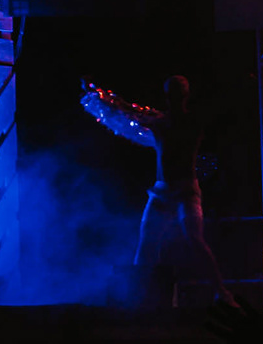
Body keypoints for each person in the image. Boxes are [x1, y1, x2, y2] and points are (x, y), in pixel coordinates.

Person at [83, 73, 223, 304]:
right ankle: (138, 295)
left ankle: (220, 291)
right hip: (164, 192)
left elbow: (129, 113)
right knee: (150, 243)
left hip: (185, 192)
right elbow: (128, 113)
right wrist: (101, 99)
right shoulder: (169, 123)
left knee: (191, 240)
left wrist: (101, 100)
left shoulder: (176, 123)